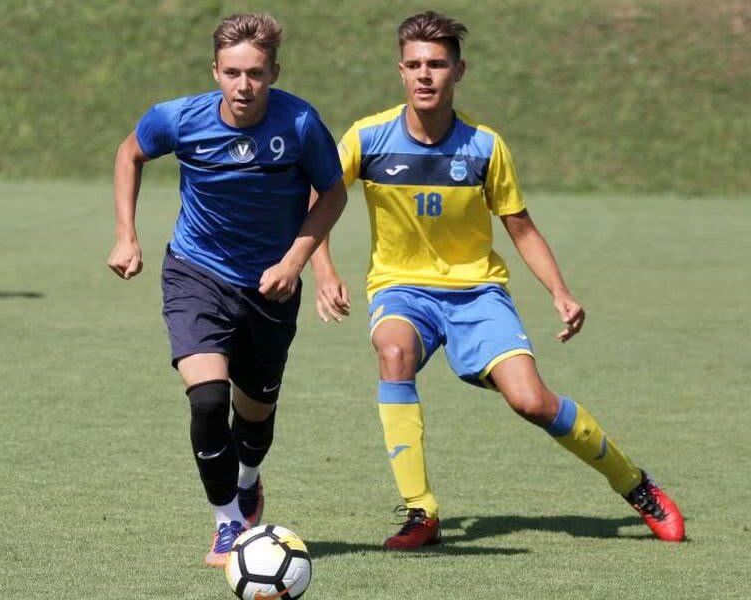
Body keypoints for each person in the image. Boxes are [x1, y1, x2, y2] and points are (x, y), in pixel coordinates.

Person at [311, 11, 685, 549]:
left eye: (437, 64)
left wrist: (559, 292)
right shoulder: (367, 137)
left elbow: (521, 228)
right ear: (400, 70)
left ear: (459, 71)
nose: (424, 75)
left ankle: (634, 483)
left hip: (477, 294)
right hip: (401, 288)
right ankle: (421, 512)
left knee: (532, 401)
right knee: (393, 352)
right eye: (414, 64)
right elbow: (320, 197)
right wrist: (324, 270)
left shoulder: (485, 147)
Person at [107, 13, 347, 567]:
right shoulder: (178, 118)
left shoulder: (300, 123)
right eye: (233, 73)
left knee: (254, 415)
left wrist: (296, 262)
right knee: (209, 399)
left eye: (256, 74)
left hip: (271, 287)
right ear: (215, 71)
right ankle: (227, 522)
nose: (244, 86)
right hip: (197, 273)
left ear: (273, 73)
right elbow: (129, 153)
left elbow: (332, 193)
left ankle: (248, 477)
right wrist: (126, 235)